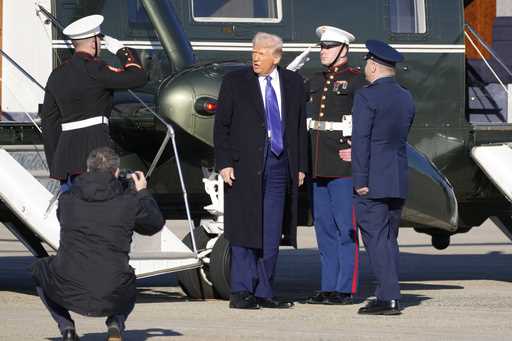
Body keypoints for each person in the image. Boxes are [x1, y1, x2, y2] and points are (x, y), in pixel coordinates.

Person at [214, 32, 308, 309]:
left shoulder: (292, 82)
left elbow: (299, 127)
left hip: (280, 164)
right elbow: (222, 127)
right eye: (253, 52)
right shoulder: (235, 82)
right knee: (244, 226)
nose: (255, 57)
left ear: (276, 57)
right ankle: (241, 291)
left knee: (271, 228)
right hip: (245, 165)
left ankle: (265, 291)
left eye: (261, 53)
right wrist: (225, 162)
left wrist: (300, 166)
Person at [32, 147, 165, 340]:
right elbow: (155, 224)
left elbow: (63, 218)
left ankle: (66, 327)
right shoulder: (128, 201)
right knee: (129, 276)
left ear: (87, 169)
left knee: (38, 270)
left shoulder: (68, 200)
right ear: (116, 171)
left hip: (68, 288)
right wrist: (142, 192)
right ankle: (115, 324)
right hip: (112, 291)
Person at [40, 14, 148, 191]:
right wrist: (123, 51)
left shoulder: (56, 75)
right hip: (97, 151)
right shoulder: (96, 69)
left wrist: (55, 162)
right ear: (93, 43)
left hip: (66, 156)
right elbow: (138, 77)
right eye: (99, 40)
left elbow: (49, 121)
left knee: (72, 209)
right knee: (100, 205)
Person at [352, 40, 415, 315]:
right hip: (397, 178)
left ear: (374, 65)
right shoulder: (405, 96)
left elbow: (361, 141)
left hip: (373, 179)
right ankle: (388, 292)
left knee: (376, 239)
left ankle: (389, 297)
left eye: (367, 63)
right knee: (389, 239)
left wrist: (360, 180)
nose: (366, 67)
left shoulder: (366, 97)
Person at [306, 26, 367, 305]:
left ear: (343, 50)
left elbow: (367, 122)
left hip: (343, 165)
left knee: (346, 228)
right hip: (319, 163)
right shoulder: (314, 80)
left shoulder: (356, 81)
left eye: (328, 47)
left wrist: (358, 152)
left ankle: (346, 288)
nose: (323, 51)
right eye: (321, 47)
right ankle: (328, 286)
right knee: (324, 228)